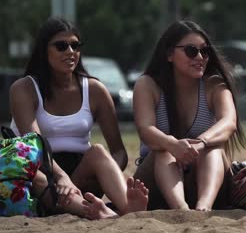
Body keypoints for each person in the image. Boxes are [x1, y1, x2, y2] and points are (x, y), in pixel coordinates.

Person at [9, 17, 148, 219]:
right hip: (41, 170)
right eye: (61, 46)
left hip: (82, 173)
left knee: (99, 152)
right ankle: (100, 213)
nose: (70, 52)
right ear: (43, 50)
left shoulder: (95, 90)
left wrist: (108, 174)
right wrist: (61, 177)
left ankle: (128, 208)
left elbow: (119, 152)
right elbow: (34, 144)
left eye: (75, 45)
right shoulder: (23, 88)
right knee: (37, 175)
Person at [133, 20, 246, 211]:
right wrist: (173, 145)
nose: (200, 57)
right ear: (169, 54)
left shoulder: (214, 85)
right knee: (163, 150)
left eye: (205, 51)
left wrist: (201, 142)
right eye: (191, 51)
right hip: (155, 182)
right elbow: (145, 130)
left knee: (213, 149)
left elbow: (229, 122)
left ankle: (204, 208)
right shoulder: (148, 84)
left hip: (204, 180)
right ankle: (182, 210)